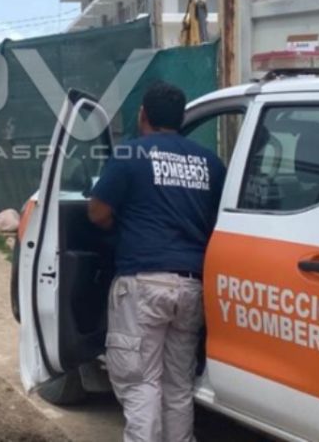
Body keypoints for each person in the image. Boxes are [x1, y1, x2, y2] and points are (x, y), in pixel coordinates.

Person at [87, 82, 226, 442]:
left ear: (143, 115)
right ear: (180, 119)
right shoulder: (209, 162)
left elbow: (98, 212)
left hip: (143, 285)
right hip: (192, 286)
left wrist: (122, 227)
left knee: (140, 383)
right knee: (178, 385)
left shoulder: (131, 154)